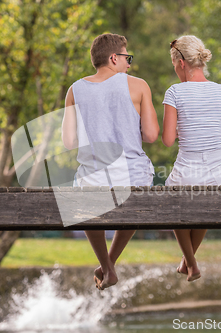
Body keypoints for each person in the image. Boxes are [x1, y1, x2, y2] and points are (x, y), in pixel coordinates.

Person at [62, 33, 159, 290]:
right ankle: (109, 264)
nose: (129, 63)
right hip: (133, 175)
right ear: (114, 58)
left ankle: (107, 266)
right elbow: (150, 135)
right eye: (127, 57)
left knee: (85, 198)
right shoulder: (138, 85)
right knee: (137, 198)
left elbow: (69, 142)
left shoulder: (74, 90)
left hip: (92, 178)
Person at [162, 35, 221, 282]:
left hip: (188, 174)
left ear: (180, 63)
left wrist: (184, 133)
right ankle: (188, 263)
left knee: (173, 199)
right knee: (209, 198)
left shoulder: (175, 91)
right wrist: (216, 135)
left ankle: (190, 262)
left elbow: (167, 140)